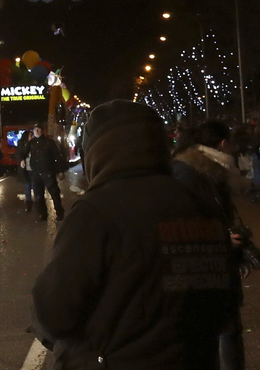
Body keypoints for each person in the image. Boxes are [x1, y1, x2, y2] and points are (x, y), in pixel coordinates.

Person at [32, 100, 231, 370]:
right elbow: (224, 306)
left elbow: (54, 313)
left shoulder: (96, 212)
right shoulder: (201, 204)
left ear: (96, 152)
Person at [171, 121, 248, 370]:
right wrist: (220, 240)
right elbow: (180, 222)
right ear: (223, 144)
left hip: (213, 258)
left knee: (226, 328)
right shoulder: (193, 173)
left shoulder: (202, 168)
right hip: (205, 262)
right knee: (222, 329)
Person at [26, 125, 66, 221]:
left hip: (48, 172)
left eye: (39, 129)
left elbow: (57, 156)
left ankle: (59, 212)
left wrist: (60, 170)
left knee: (54, 193)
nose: (37, 131)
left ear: (43, 131)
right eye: (35, 130)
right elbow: (21, 151)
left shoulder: (49, 142)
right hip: (36, 173)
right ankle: (42, 214)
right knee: (38, 195)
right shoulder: (31, 143)